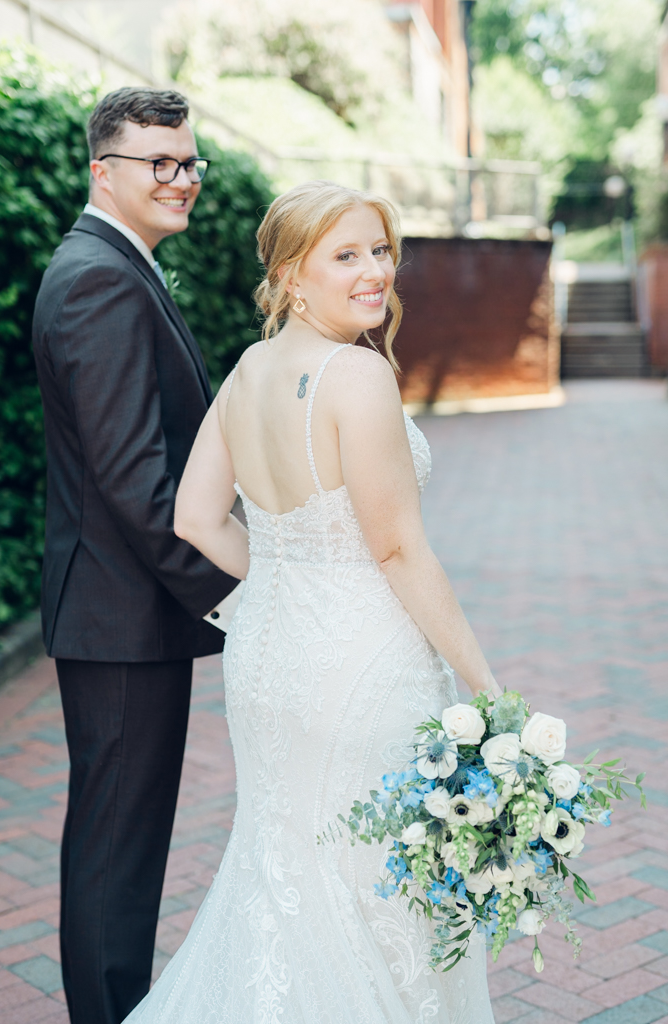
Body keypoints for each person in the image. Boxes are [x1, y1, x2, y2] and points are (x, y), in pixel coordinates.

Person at [124, 180, 500, 1023]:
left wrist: (282, 584)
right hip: (359, 663)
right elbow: (397, 549)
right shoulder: (356, 377)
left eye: (380, 250)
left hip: (268, 656)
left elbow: (194, 518)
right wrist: (486, 685)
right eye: (347, 255)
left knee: (281, 867)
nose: (375, 272)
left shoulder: (249, 370)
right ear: (292, 276)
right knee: (372, 883)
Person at [32, 87, 241, 1024]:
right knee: (116, 847)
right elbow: (133, 482)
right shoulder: (100, 278)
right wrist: (232, 590)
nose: (182, 179)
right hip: (122, 615)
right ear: (101, 173)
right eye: (159, 162)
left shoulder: (117, 265)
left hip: (124, 611)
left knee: (124, 841)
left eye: (189, 161)